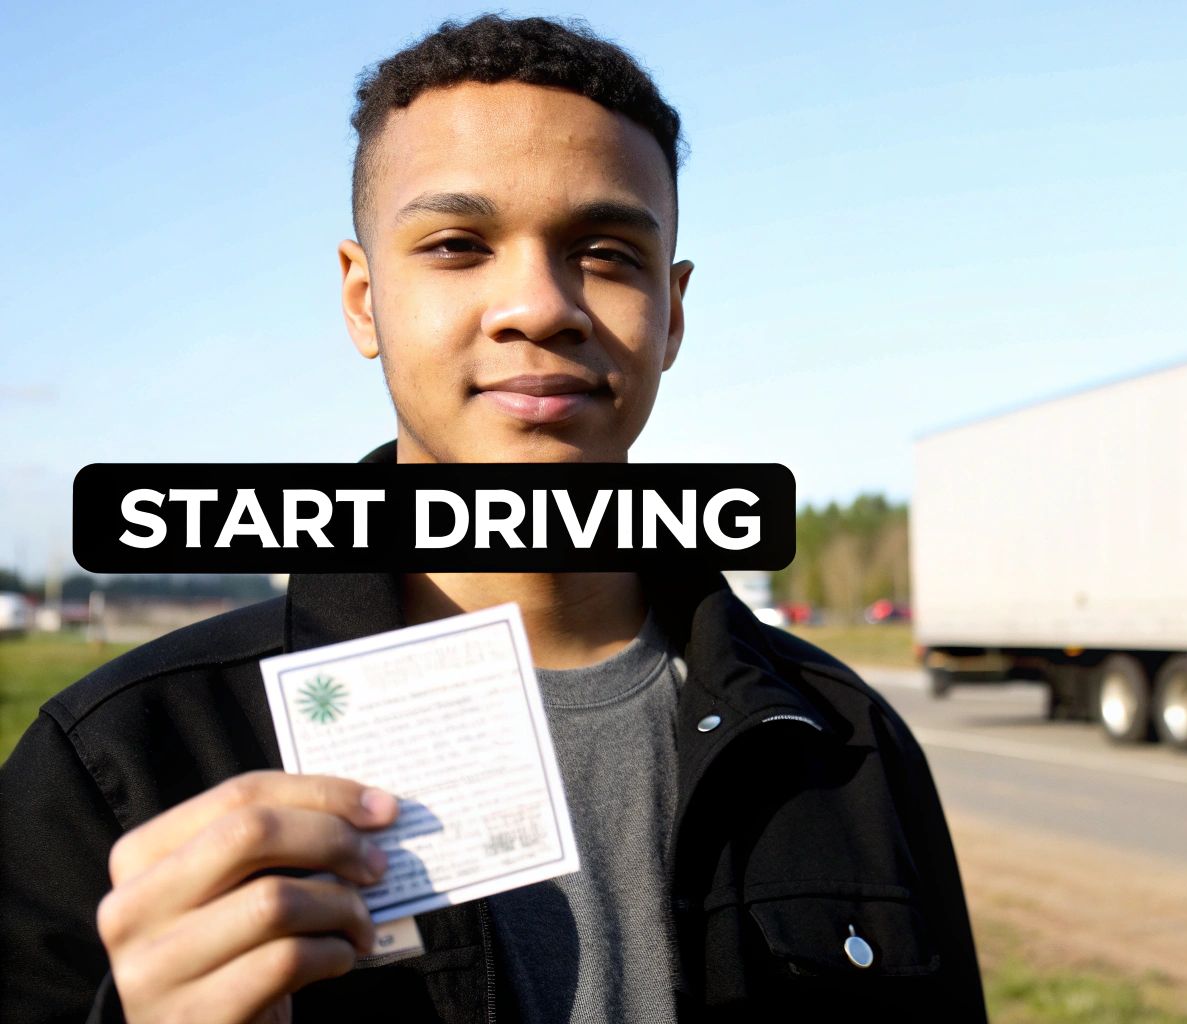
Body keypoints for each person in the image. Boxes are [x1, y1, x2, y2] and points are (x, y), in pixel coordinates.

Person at [0, 14, 986, 1023]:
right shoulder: (123, 758)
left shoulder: (841, 739)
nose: (537, 305)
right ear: (361, 297)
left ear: (673, 310)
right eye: (457, 245)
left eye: (604, 252)